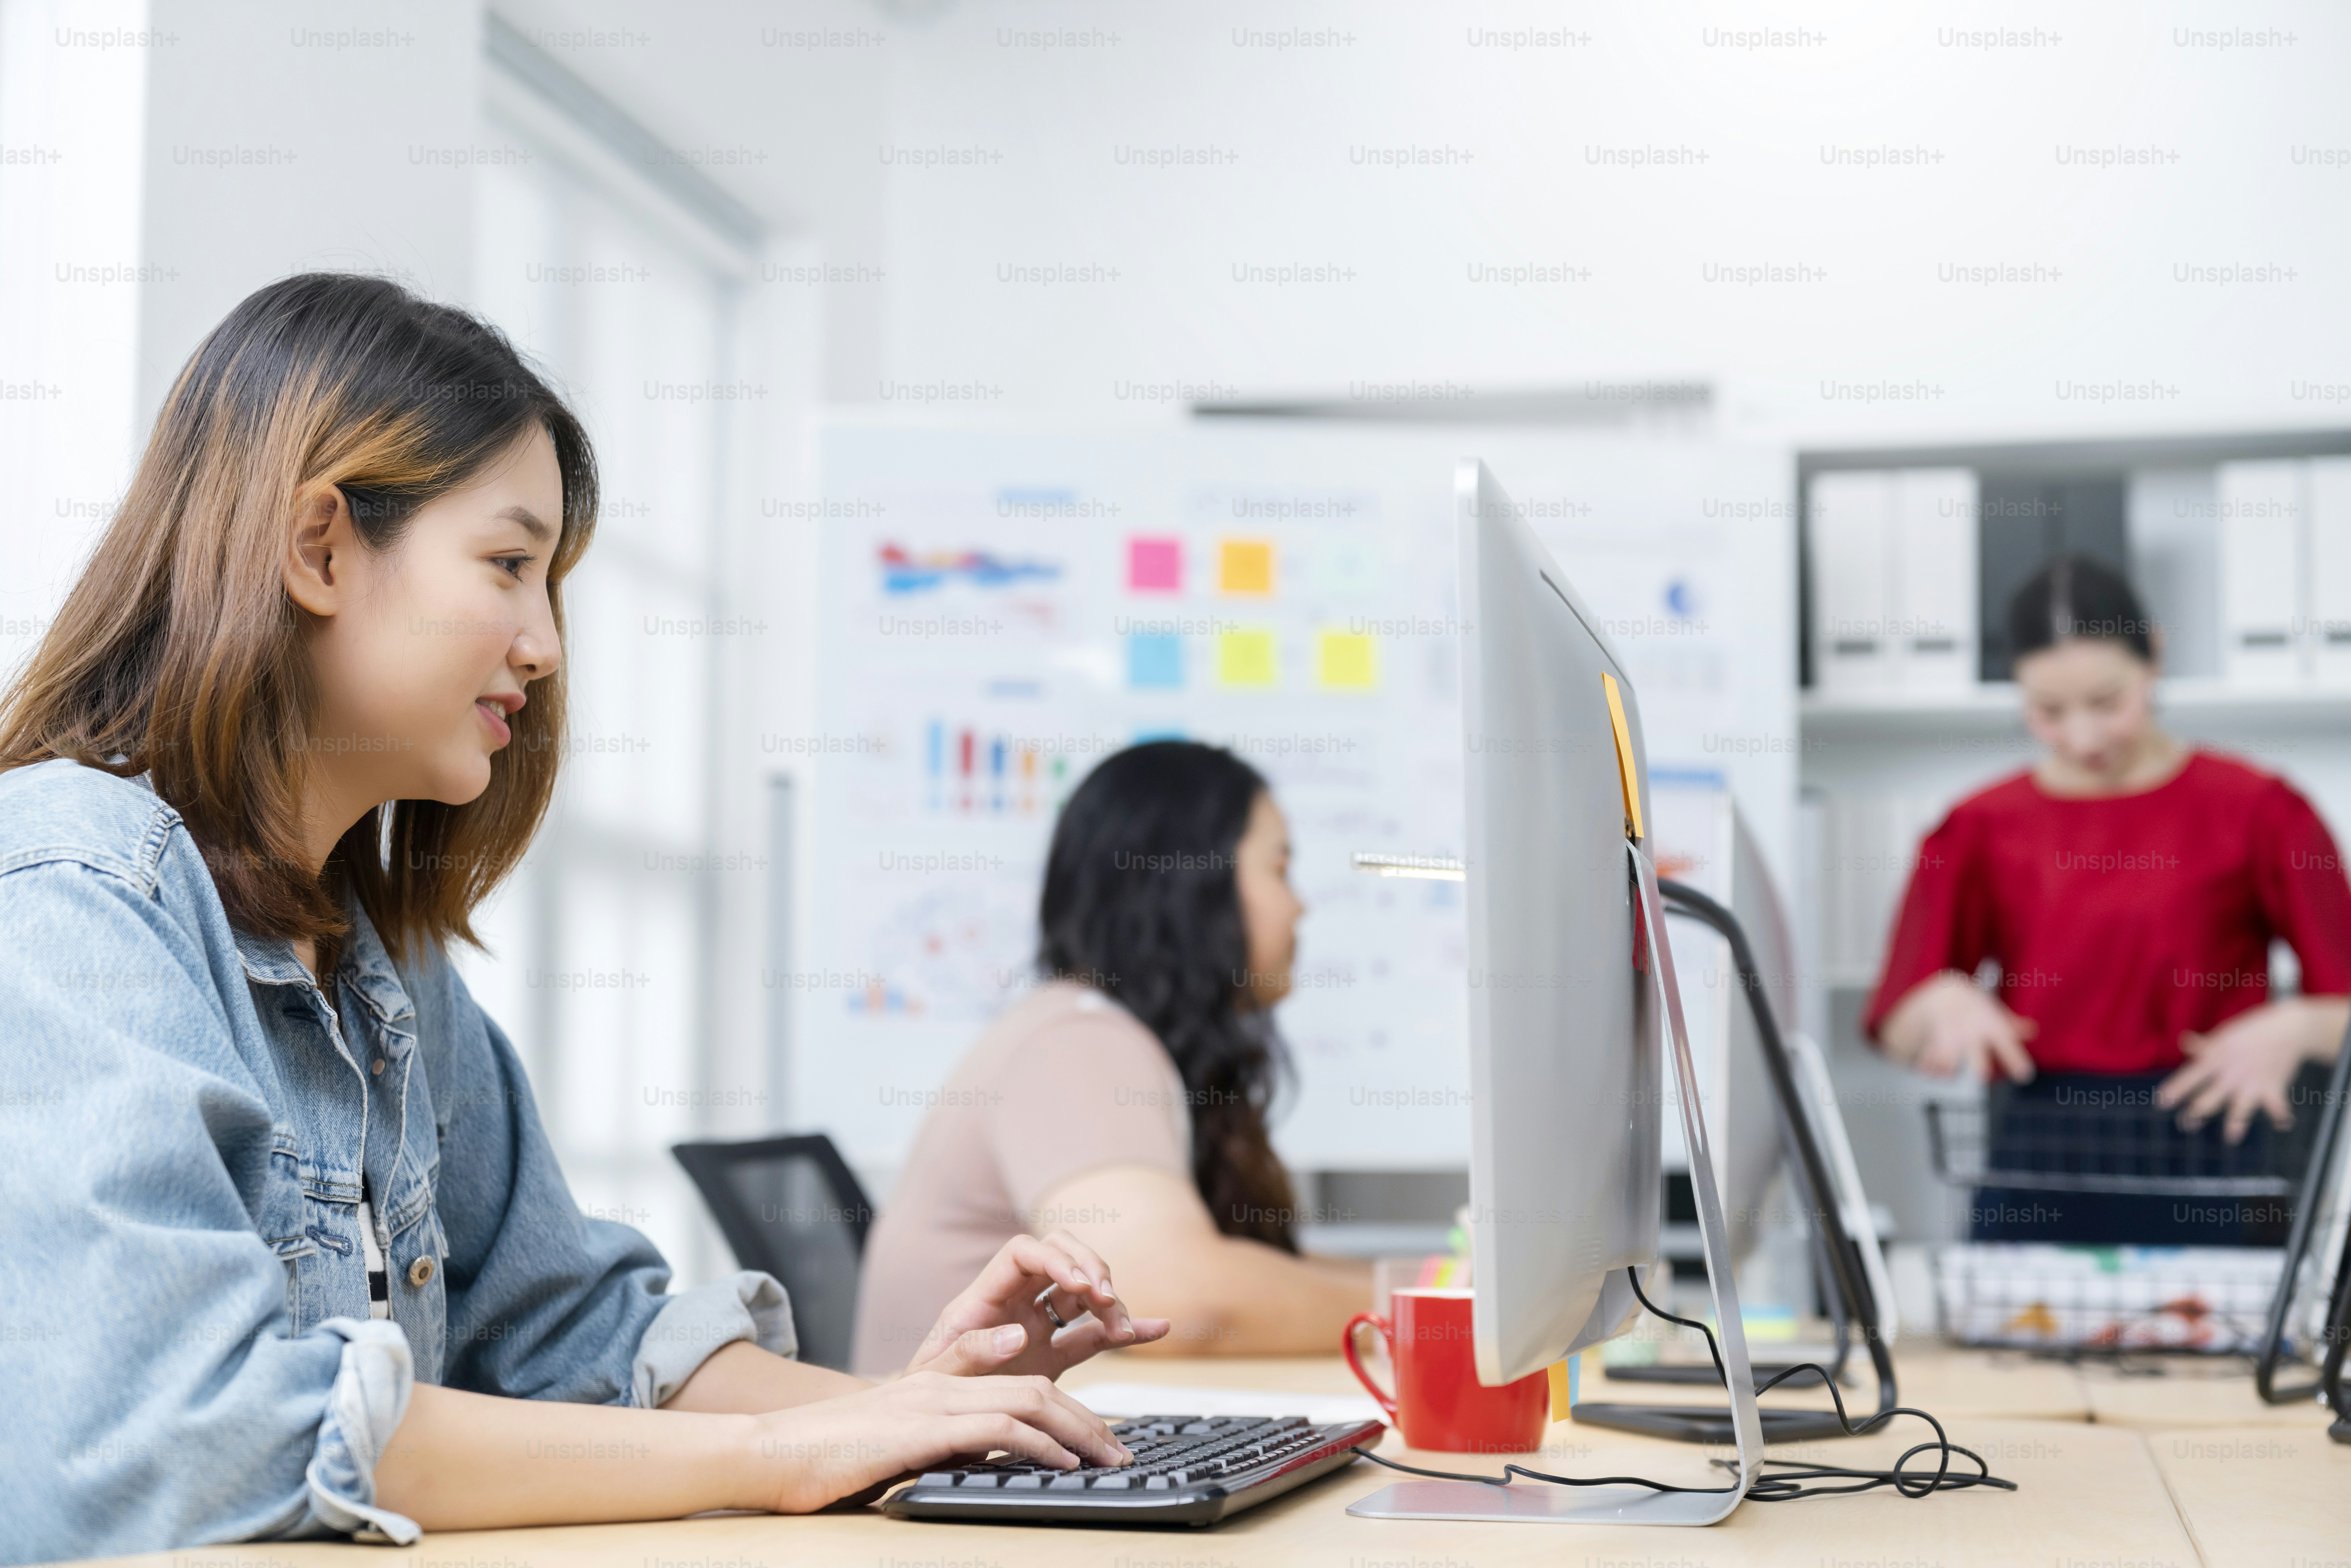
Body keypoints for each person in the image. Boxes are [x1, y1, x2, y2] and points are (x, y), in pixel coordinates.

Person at [0, 275, 1168, 1565]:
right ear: (320, 548)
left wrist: (909, 1414)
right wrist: (777, 1456)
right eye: (509, 565)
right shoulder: (69, 897)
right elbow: (181, 1430)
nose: (545, 644)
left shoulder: (385, 970)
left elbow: (581, 1339)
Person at [1866, 555, 2351, 1243]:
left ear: (2154, 657)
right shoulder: (1976, 828)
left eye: (2106, 703)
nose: (2083, 737)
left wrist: (2296, 1026)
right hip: (2035, 1158)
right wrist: (1934, 1002)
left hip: (2215, 1153)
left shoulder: (2262, 812)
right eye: (2048, 712)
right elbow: (1896, 1025)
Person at [853, 741, 1371, 1374]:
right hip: (956, 1438)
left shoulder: (1090, 1029)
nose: (1300, 905)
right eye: (1280, 869)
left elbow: (1240, 1270)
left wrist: (1424, 1285)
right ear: (1189, 884)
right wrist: (1419, 1312)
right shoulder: (1076, 1041)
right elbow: (1173, 1292)